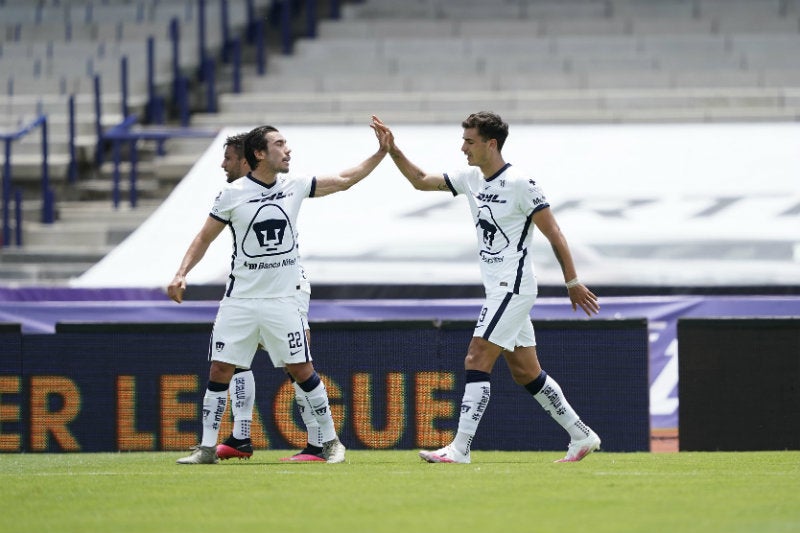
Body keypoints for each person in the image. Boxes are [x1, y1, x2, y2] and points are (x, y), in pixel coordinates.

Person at [371, 113, 602, 463]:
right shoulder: (470, 178)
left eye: (469, 141)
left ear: (490, 144)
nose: (462, 147)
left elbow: (554, 232)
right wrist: (393, 149)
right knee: (526, 371)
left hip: (514, 287)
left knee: (476, 356)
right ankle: (581, 434)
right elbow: (420, 180)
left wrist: (572, 281)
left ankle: (460, 448)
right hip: (499, 288)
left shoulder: (522, 183)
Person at [169, 122, 389, 464]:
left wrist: (379, 153)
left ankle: (331, 443)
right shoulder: (232, 194)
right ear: (259, 153)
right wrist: (182, 273)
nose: (288, 150)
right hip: (239, 300)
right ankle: (208, 448)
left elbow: (344, 180)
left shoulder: (295, 186)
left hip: (282, 300)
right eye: (280, 144)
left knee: (301, 369)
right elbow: (203, 238)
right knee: (219, 370)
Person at [214, 133, 325, 462]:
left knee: (297, 366)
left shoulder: (283, 188)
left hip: (287, 289)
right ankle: (240, 438)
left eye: (229, 159)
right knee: (236, 358)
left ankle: (318, 444)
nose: (224, 165)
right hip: (251, 290)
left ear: (248, 160)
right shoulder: (235, 197)